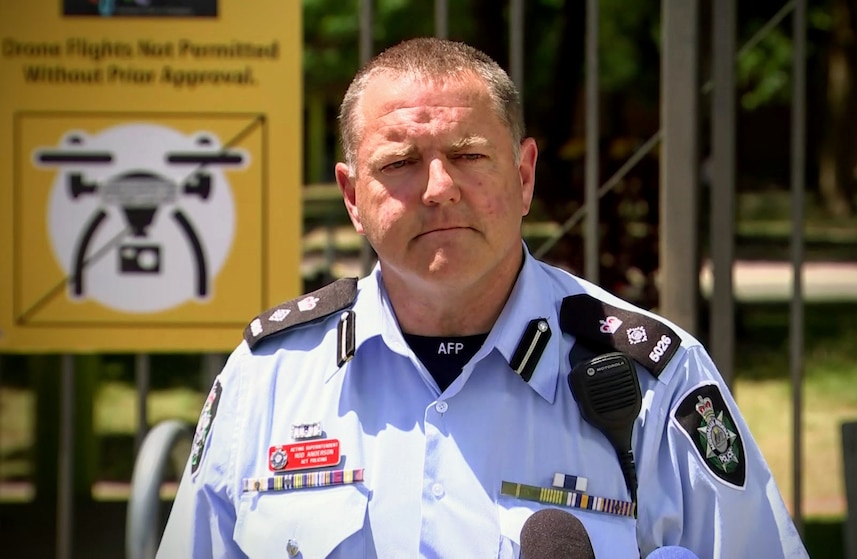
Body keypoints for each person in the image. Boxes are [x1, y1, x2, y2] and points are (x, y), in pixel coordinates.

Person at [157, 37, 808, 558]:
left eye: (468, 155)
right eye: (399, 162)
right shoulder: (269, 376)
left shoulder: (652, 377)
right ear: (353, 197)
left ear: (523, 176)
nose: (439, 187)